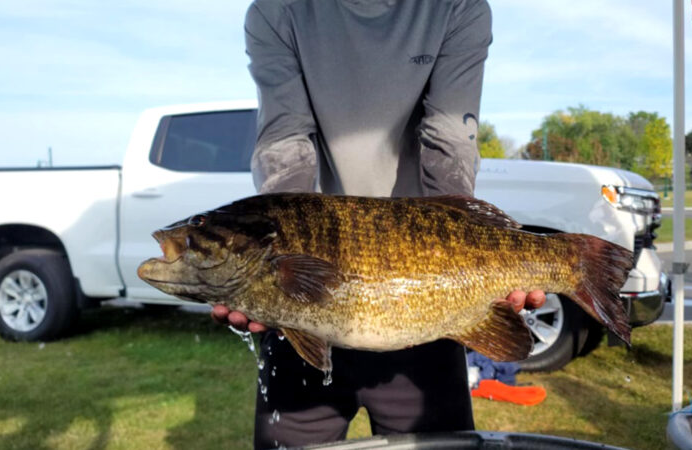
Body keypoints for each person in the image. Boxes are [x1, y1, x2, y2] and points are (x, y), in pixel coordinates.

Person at [213, 1, 546, 448]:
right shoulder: (277, 11)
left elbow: (449, 141)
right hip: (302, 318)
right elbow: (285, 139)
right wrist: (281, 265)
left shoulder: (459, 8)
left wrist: (467, 250)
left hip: (428, 306)